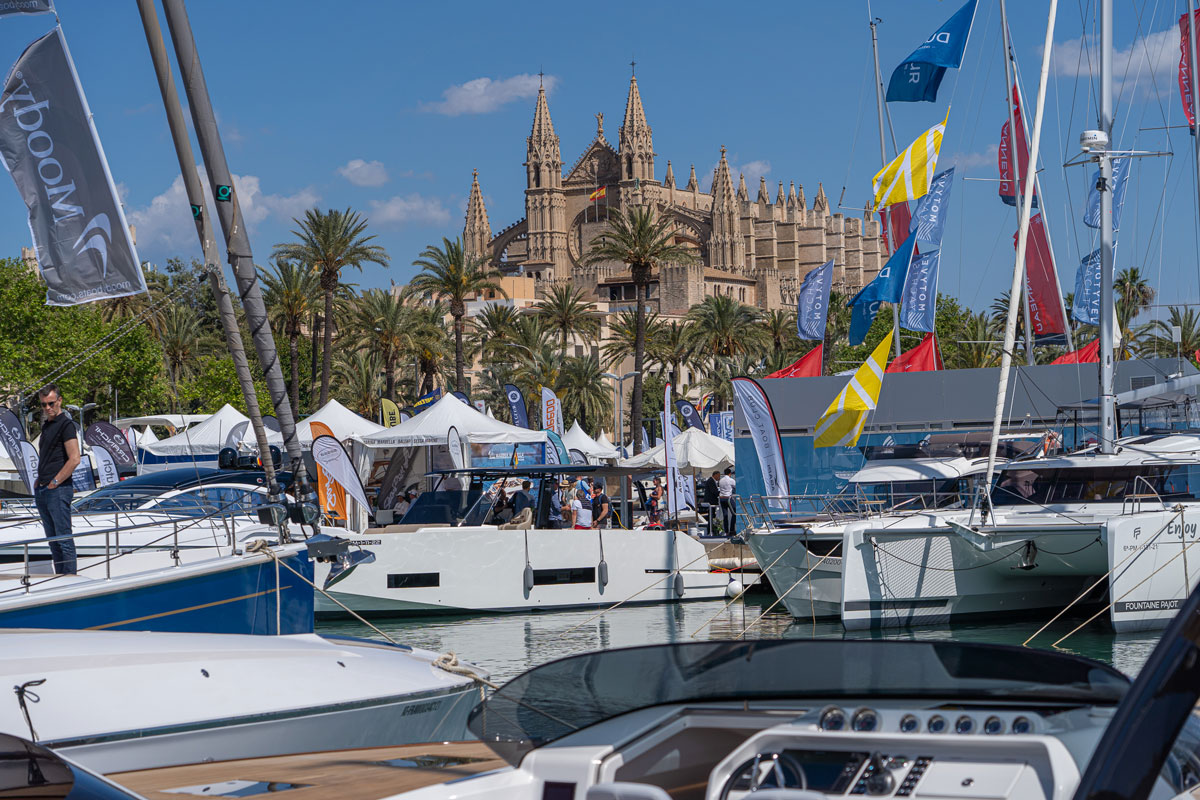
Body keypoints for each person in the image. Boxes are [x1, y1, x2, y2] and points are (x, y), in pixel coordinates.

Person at [34, 384, 80, 575]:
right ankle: (60, 578)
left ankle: (70, 580)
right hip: (43, 489)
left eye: (51, 403)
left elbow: (75, 458)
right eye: (43, 405)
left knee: (64, 540)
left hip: (57, 490)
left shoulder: (66, 425)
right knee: (53, 542)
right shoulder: (47, 426)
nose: (47, 408)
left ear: (59, 401)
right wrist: (40, 481)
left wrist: (55, 482)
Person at [718, 468, 737, 535]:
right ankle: (732, 530)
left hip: (721, 498)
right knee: (735, 513)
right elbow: (736, 487)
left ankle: (726, 531)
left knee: (725, 515)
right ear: (730, 474)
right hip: (728, 498)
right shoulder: (731, 480)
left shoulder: (720, 480)